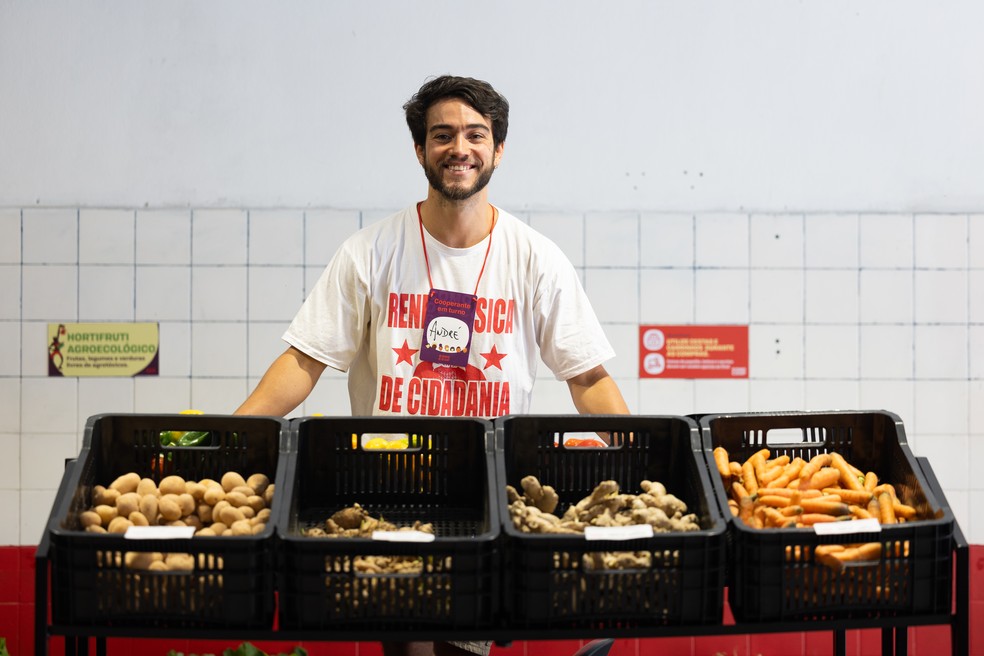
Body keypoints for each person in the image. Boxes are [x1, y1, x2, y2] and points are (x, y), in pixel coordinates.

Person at [235, 75, 629, 655]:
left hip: (488, 493)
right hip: (385, 490)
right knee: (407, 643)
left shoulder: (535, 258)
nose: (459, 148)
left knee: (462, 645)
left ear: (498, 150)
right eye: (442, 135)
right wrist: (228, 437)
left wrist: (641, 455)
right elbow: (304, 361)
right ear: (419, 150)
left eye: (476, 134)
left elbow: (588, 376)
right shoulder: (370, 251)